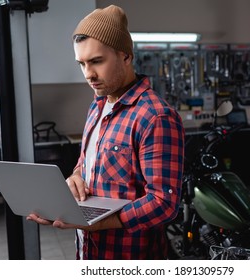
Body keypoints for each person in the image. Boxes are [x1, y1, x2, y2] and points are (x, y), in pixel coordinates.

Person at [27, 4, 185, 260]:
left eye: (97, 61)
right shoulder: (98, 106)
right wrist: (75, 178)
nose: (88, 74)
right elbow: (86, 163)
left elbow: (164, 204)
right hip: (88, 251)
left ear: (126, 56)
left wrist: (101, 223)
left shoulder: (156, 116)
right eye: (82, 63)